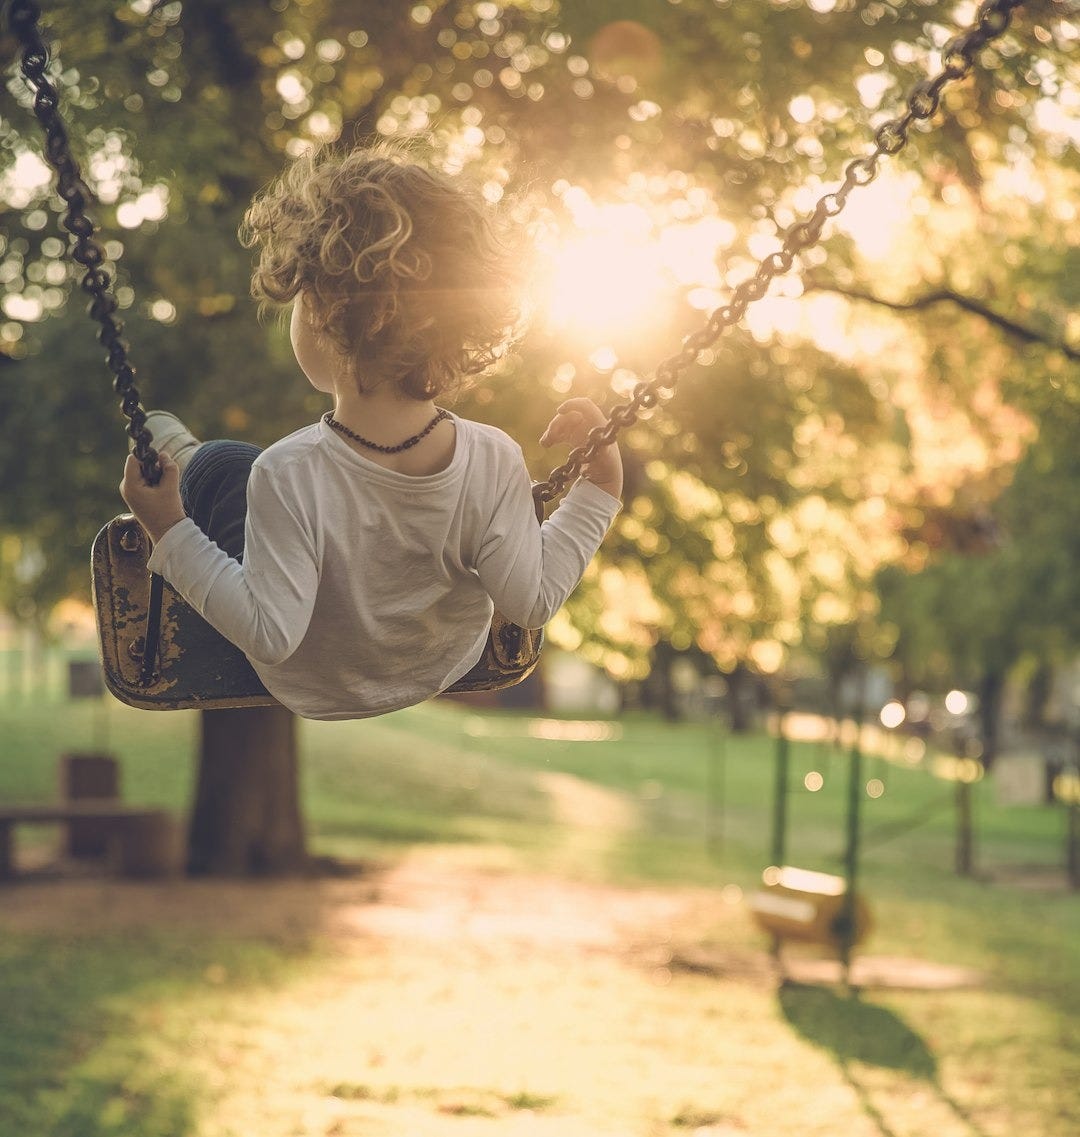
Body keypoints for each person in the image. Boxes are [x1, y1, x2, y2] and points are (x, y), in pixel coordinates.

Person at [120, 140, 622, 720]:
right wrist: (598, 492)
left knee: (223, 466)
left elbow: (269, 634)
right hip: (438, 666)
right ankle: (186, 455)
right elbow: (531, 601)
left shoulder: (285, 473)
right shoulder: (494, 458)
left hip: (313, 681)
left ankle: (184, 459)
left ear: (331, 312)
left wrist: (167, 528)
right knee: (242, 473)